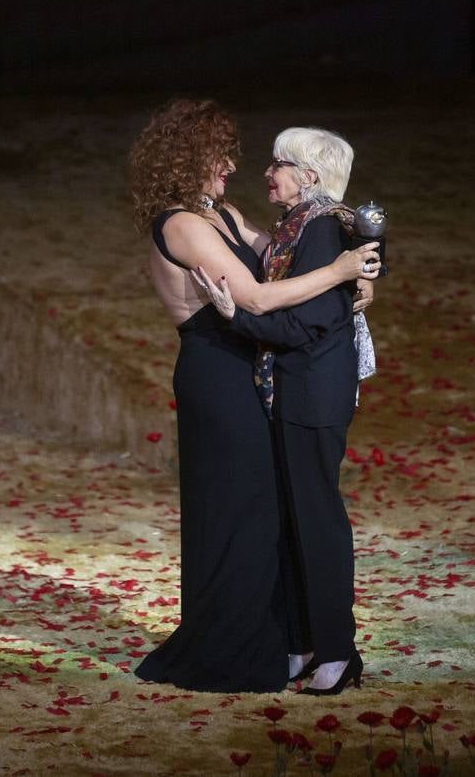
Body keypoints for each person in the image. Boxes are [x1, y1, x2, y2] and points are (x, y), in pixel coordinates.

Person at [129, 100, 379, 693]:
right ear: (189, 159)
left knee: (266, 511)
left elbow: (286, 258)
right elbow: (259, 299)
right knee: (237, 511)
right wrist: (342, 271)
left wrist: (360, 267)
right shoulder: (182, 225)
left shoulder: (224, 214)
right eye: (220, 154)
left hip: (251, 367)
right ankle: (230, 645)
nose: (231, 165)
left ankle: (287, 639)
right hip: (217, 374)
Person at [198, 126, 377, 695]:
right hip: (294, 388)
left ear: (310, 176)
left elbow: (312, 319)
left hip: (312, 393)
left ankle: (337, 650)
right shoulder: (300, 226)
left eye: (279, 163)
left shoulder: (323, 227)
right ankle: (301, 643)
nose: (268, 172)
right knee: (294, 520)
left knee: (317, 520)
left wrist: (238, 317)